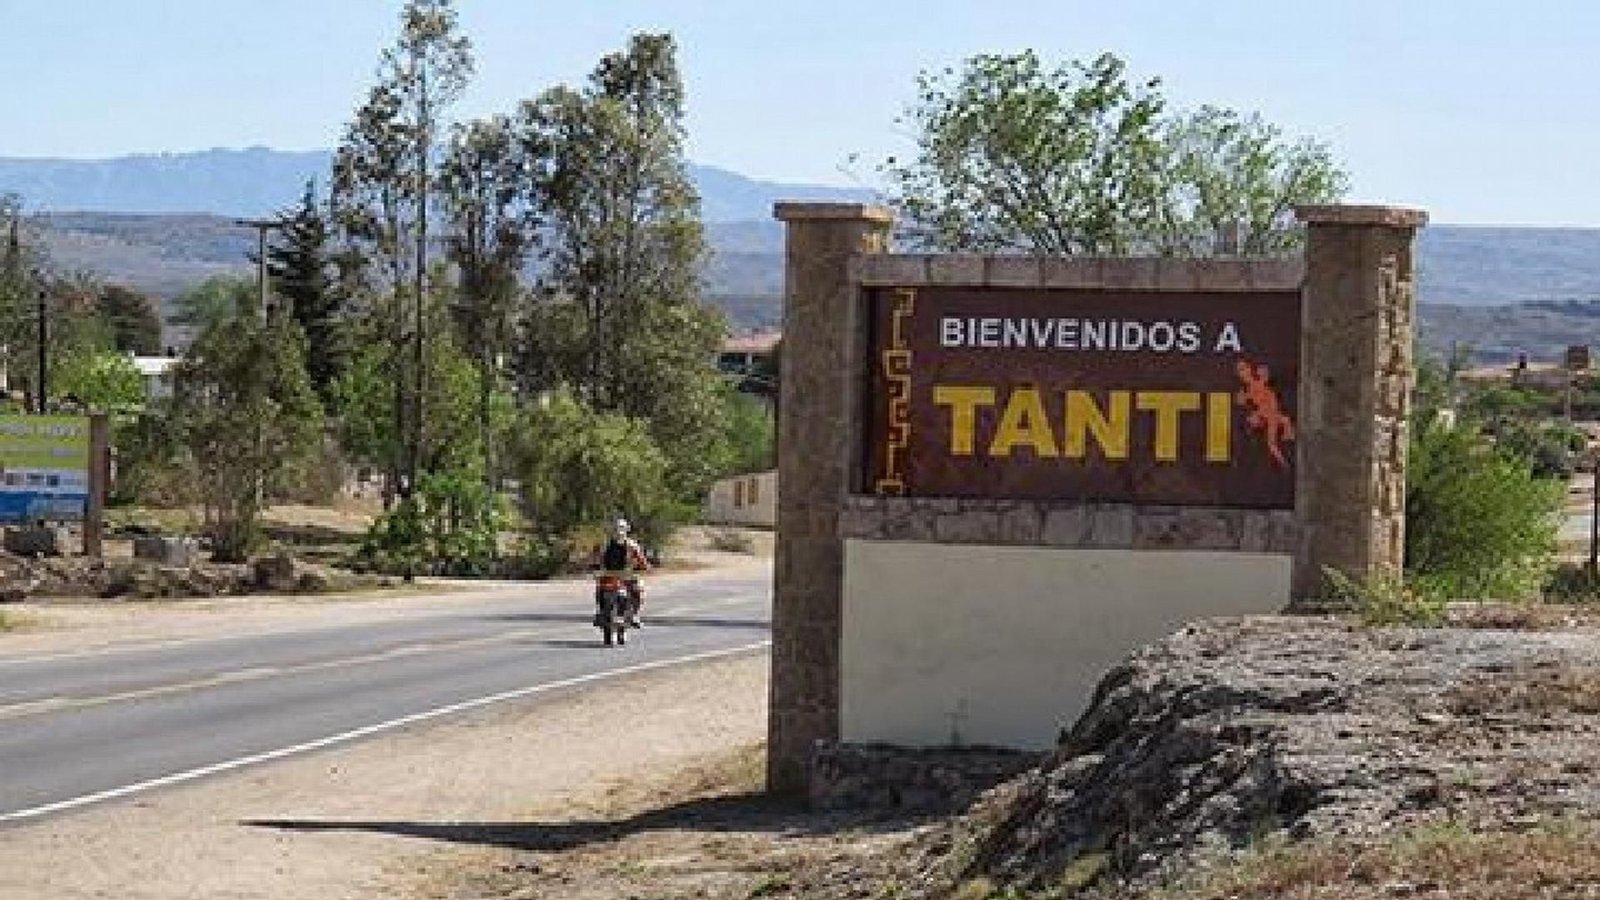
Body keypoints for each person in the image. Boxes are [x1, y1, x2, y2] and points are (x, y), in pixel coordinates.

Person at [598, 518, 651, 627]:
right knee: (602, 590)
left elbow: (641, 559)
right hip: (619, 575)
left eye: (620, 528)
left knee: (637, 590)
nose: (618, 531)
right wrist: (645, 566)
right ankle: (631, 615)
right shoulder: (628, 544)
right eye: (617, 528)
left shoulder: (629, 545)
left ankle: (632, 614)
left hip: (618, 575)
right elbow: (642, 560)